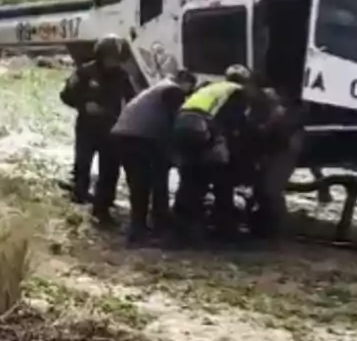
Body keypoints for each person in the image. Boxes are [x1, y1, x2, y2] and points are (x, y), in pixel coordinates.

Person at [172, 65, 260, 240]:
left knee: (192, 176)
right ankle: (224, 227)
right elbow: (232, 124)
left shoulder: (213, 87)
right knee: (221, 176)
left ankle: (180, 224)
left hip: (181, 123)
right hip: (202, 125)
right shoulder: (238, 92)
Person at [111, 69, 198, 246]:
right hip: (141, 138)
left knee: (139, 185)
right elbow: (174, 121)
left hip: (123, 134)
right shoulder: (173, 90)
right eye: (190, 89)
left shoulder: (157, 88)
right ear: (185, 82)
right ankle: (157, 227)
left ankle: (138, 228)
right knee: (157, 182)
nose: (188, 94)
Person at [60, 35, 137, 225]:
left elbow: (132, 100)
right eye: (111, 58)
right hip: (88, 126)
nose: (113, 63)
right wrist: (83, 105)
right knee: (83, 164)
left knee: (110, 169)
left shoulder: (123, 76)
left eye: (117, 59)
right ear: (101, 55)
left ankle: (102, 209)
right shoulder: (85, 72)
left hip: (111, 127)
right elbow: (66, 95)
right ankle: (78, 202)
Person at [246, 88, 304, 239]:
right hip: (274, 155)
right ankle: (266, 223)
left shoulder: (279, 115)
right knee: (263, 189)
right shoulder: (272, 114)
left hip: (283, 154)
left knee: (271, 190)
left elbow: (277, 136)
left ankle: (277, 226)